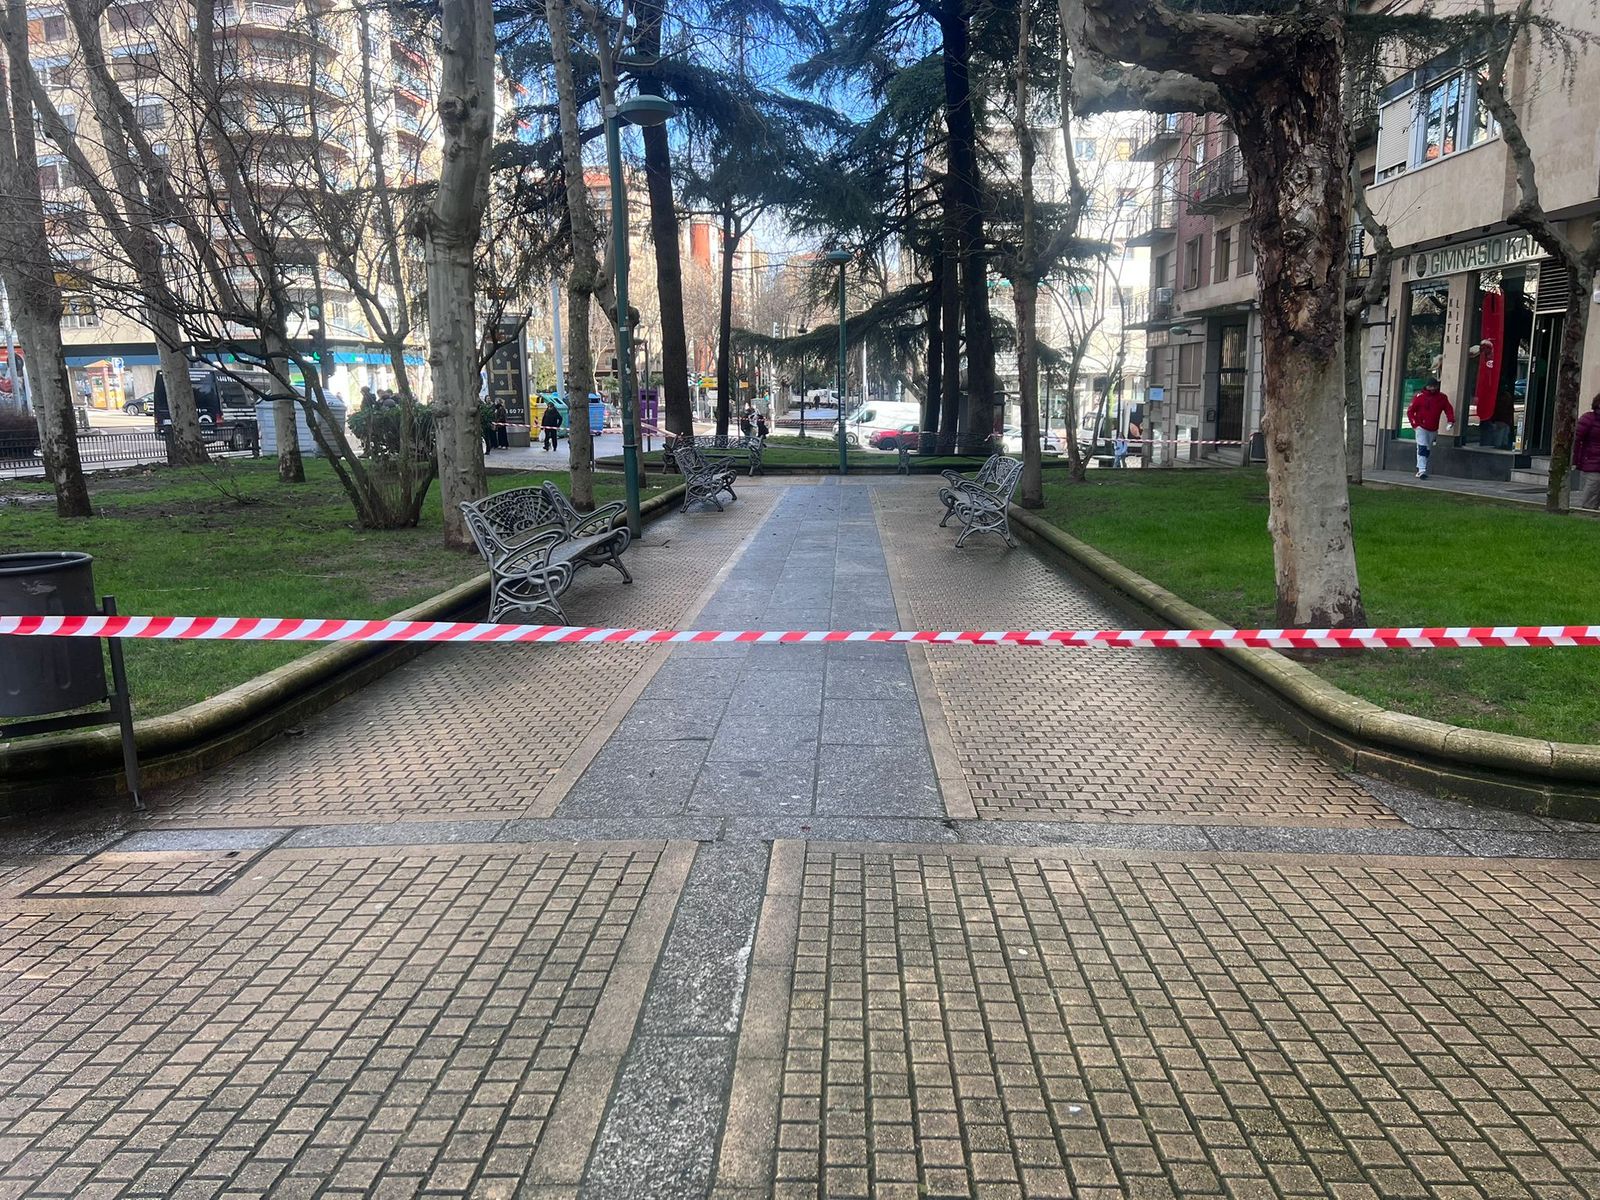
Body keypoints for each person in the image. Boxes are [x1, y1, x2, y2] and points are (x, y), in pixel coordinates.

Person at [1406, 377, 1455, 480]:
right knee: (1422, 447)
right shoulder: (1419, 397)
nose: (1432, 388)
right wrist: (1415, 424)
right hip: (1421, 427)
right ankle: (1422, 470)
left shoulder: (1442, 398)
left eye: (1434, 386)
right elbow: (1410, 411)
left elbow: (1448, 409)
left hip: (1433, 428)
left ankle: (1421, 468)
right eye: (1430, 386)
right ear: (1426, 386)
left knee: (1427, 448)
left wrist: (1450, 420)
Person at [1576, 392, 1600, 509]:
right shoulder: (1588, 419)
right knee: (1590, 499)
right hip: (1592, 464)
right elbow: (1576, 439)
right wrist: (1575, 460)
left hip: (1593, 462)